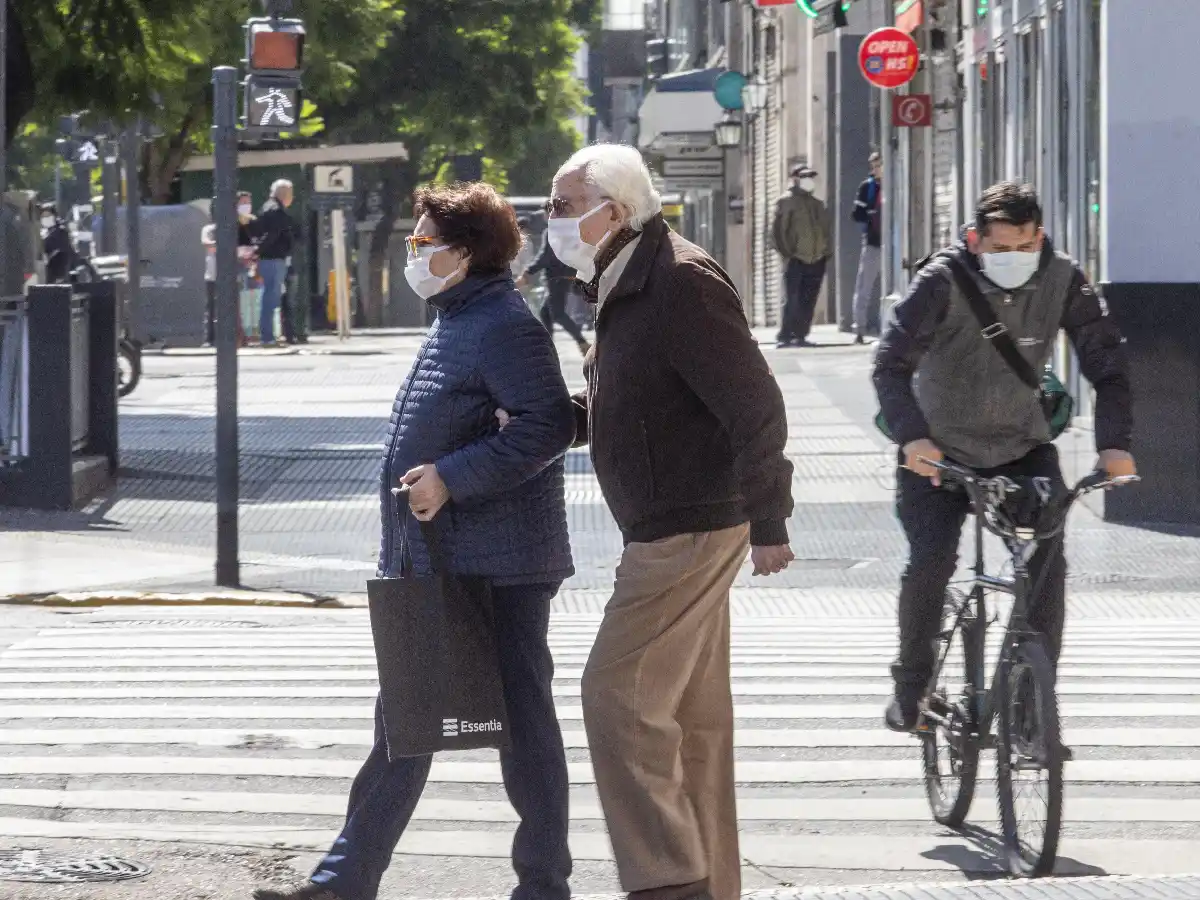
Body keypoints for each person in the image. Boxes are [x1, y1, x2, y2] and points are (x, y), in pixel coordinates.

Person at [253, 181, 576, 900]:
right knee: (407, 723)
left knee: (522, 728)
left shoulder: (503, 324)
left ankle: (544, 884)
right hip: (443, 559)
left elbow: (547, 425)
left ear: (463, 254)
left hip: (500, 564)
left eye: (422, 243)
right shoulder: (459, 317)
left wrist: (452, 477)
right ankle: (345, 881)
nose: (413, 254)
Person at [551, 143, 796, 900]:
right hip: (673, 519)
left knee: (616, 698)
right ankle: (713, 887)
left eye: (561, 208)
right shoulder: (625, 280)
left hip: (686, 524)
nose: (550, 222)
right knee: (693, 724)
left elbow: (754, 403)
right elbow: (630, 400)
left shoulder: (679, 282)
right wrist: (549, 423)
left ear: (612, 213)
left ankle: (668, 883)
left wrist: (770, 519)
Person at [872, 181, 1136, 733]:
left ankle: (1029, 706)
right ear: (974, 239)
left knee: (1045, 567)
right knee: (932, 561)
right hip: (939, 455)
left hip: (1021, 448)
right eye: (998, 248)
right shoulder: (942, 281)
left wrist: (1114, 445)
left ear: (1040, 237)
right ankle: (912, 689)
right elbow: (890, 365)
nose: (1012, 258)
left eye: (1023, 247)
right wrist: (914, 439)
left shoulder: (1064, 279)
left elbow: (1108, 367)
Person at [771, 164, 831, 348]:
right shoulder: (786, 202)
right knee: (792, 297)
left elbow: (825, 231)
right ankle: (786, 334)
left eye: (810, 176)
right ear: (794, 178)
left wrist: (826, 252)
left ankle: (801, 334)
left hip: (817, 259)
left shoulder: (817, 204)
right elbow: (777, 231)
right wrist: (787, 253)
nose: (808, 180)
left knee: (809, 298)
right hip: (796, 258)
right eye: (804, 176)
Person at [517, 220, 591, 355]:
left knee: (557, 314)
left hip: (555, 277)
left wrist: (528, 272)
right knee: (545, 313)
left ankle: (582, 342)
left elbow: (546, 257)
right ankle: (547, 347)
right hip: (566, 276)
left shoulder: (552, 231)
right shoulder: (569, 231)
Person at [247, 179, 296, 347]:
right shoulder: (276, 211)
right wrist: (258, 251)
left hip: (271, 259)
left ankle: (269, 334)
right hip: (273, 260)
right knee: (270, 299)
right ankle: (267, 336)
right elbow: (272, 235)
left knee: (271, 298)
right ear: (285, 194)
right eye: (291, 193)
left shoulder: (267, 208)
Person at [201, 195, 253, 347]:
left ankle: (237, 337)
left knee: (234, 308)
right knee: (211, 308)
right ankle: (209, 338)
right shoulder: (208, 229)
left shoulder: (232, 228)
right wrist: (224, 243)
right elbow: (208, 244)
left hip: (231, 274)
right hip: (212, 274)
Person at [851, 152, 883, 344]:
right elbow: (856, 214)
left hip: (894, 244)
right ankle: (859, 329)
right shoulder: (867, 187)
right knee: (864, 287)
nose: (875, 169)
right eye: (873, 165)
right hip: (873, 243)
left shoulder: (896, 182)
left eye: (878, 164)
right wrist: (871, 218)